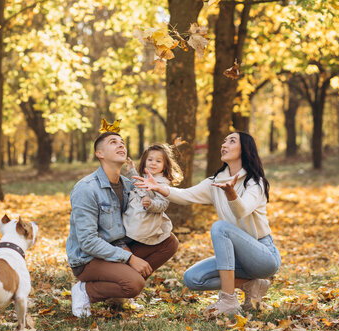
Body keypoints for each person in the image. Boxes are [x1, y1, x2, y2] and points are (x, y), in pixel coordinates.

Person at [134, 132, 281, 315]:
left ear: (245, 150)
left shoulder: (254, 183)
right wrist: (159, 188)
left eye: (232, 141)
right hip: (237, 259)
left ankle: (228, 300)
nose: (224, 144)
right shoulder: (216, 182)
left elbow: (242, 210)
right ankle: (252, 285)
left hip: (263, 256)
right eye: (224, 140)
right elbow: (186, 195)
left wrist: (232, 195)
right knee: (192, 278)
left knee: (220, 227)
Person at [66, 131, 179, 317]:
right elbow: (87, 241)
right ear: (99, 154)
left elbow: (145, 212)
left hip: (117, 248)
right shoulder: (86, 188)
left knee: (169, 242)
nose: (121, 145)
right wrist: (129, 258)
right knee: (134, 284)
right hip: (88, 259)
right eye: (113, 142)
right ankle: (85, 291)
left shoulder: (128, 185)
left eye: (122, 142)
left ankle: (115, 293)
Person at [123, 144, 183, 246]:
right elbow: (136, 184)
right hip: (132, 216)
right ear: (144, 161)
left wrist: (151, 204)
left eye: (158, 161)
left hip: (144, 221)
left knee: (131, 238)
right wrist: (131, 170)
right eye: (150, 160)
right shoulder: (144, 177)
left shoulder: (162, 184)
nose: (153, 163)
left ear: (165, 165)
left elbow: (163, 204)